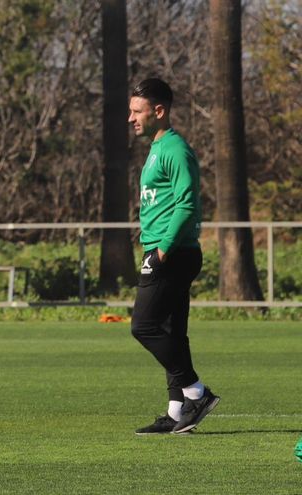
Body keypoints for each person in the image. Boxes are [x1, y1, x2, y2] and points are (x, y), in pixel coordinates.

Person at [127, 78, 219, 435]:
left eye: (137, 111)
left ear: (159, 111)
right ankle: (177, 411)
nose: (131, 118)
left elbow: (187, 203)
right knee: (171, 332)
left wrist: (162, 248)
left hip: (174, 253)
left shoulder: (175, 149)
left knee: (143, 326)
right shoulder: (156, 146)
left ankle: (197, 393)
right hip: (166, 250)